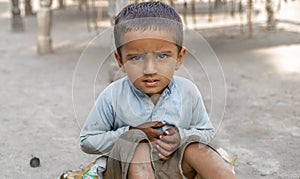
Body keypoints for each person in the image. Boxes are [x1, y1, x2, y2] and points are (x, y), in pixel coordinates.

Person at [80, 1, 235, 179]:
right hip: (127, 171)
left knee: (197, 149)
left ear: (179, 57)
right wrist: (130, 132)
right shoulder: (112, 95)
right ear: (120, 60)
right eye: (136, 57)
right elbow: (87, 141)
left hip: (173, 168)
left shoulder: (188, 91)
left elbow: (206, 132)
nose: (150, 69)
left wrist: (180, 136)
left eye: (162, 56)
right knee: (137, 143)